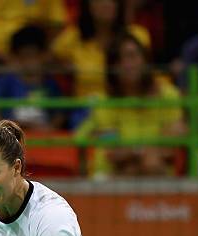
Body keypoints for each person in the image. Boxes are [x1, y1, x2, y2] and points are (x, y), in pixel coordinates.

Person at [76, 32, 185, 177]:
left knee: (151, 164)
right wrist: (141, 151)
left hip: (159, 168)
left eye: (132, 56)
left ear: (145, 60)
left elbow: (175, 139)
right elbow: (113, 153)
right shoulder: (104, 102)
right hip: (113, 173)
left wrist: (136, 152)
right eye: (119, 60)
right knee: (132, 168)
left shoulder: (167, 94)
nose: (127, 64)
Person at [0, 25, 66, 130]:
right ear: (15, 57)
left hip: (43, 140)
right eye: (24, 56)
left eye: (34, 56)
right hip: (11, 140)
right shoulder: (4, 83)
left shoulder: (50, 84)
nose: (29, 62)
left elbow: (60, 115)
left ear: (43, 56)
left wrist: (49, 128)